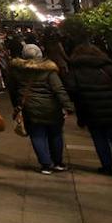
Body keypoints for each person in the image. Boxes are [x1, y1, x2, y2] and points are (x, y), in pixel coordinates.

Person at [65, 31, 112, 181]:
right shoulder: (108, 67)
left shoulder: (75, 71)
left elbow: (72, 91)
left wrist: (79, 107)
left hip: (91, 110)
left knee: (99, 138)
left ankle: (107, 166)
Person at [8, 43, 75, 174]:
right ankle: (58, 163)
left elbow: (13, 90)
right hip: (51, 107)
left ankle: (45, 164)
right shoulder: (49, 70)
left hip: (30, 107)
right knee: (55, 135)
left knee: (37, 135)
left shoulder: (18, 71)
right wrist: (68, 106)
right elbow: (59, 89)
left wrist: (16, 106)